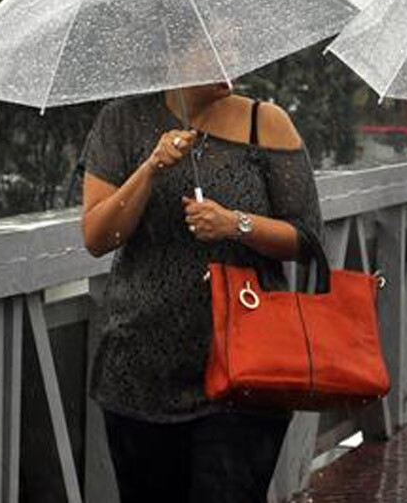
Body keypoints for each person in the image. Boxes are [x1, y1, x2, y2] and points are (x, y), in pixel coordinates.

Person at [80, 82, 322, 502]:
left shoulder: (265, 123)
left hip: (244, 369)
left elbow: (306, 239)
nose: (226, 55)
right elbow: (98, 237)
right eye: (212, 43)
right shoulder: (120, 122)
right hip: (140, 368)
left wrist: (236, 224)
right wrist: (150, 169)